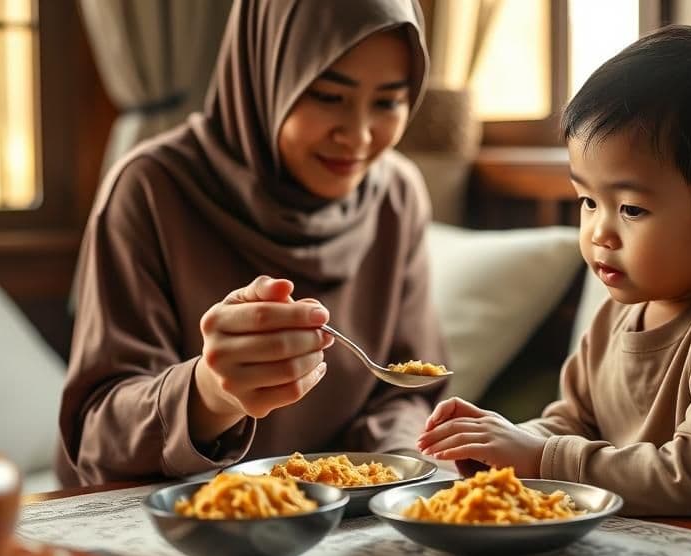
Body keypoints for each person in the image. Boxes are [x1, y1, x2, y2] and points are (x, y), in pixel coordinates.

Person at [417, 25, 691, 536]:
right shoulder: (619, 309)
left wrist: (542, 455)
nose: (598, 233)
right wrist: (499, 444)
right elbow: (570, 423)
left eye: (631, 208)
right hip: (648, 539)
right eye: (588, 202)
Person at [57, 0, 446, 487]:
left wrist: (388, 469)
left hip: (340, 525)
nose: (360, 136)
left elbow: (406, 389)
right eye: (328, 96)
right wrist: (209, 393)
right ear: (263, 75)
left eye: (388, 102)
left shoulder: (397, 194)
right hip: (178, 524)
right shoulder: (151, 188)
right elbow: (96, 435)